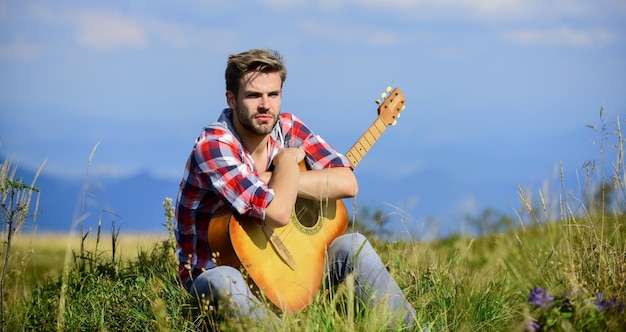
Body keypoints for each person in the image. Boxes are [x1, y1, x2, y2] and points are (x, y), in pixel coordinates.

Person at [175, 48, 416, 328]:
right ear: (231, 99)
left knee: (353, 244)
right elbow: (277, 213)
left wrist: (281, 180)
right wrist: (288, 161)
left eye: (273, 95)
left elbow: (347, 183)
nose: (266, 105)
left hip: (291, 267)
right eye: (254, 96)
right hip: (220, 273)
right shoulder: (214, 145)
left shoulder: (288, 126)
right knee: (222, 281)